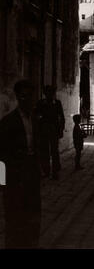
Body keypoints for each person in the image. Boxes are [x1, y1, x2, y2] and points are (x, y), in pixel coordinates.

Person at [0, 80, 41, 249]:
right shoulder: (8, 122)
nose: (28, 100)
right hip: (14, 177)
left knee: (33, 215)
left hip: (31, 173)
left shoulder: (37, 119)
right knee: (14, 218)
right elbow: (1, 156)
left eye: (31, 97)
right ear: (18, 97)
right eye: (24, 96)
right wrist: (2, 184)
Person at [36, 85, 65, 180]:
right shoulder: (40, 103)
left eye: (51, 93)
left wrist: (60, 130)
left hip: (54, 130)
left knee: (54, 151)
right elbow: (37, 116)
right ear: (45, 93)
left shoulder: (57, 103)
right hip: (44, 130)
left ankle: (55, 171)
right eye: (47, 93)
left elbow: (62, 118)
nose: (49, 95)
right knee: (44, 151)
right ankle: (46, 171)